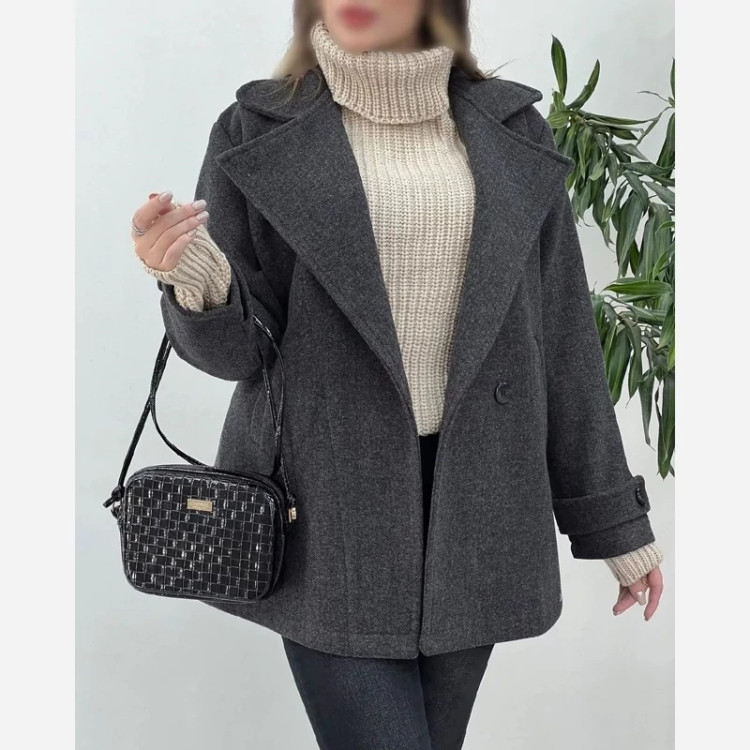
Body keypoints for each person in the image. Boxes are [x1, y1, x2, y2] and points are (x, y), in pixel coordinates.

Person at [129, 1, 665, 747]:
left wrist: (615, 526)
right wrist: (194, 277)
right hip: (324, 511)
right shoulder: (255, 130)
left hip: (478, 507)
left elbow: (562, 336)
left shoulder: (510, 130)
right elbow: (238, 357)